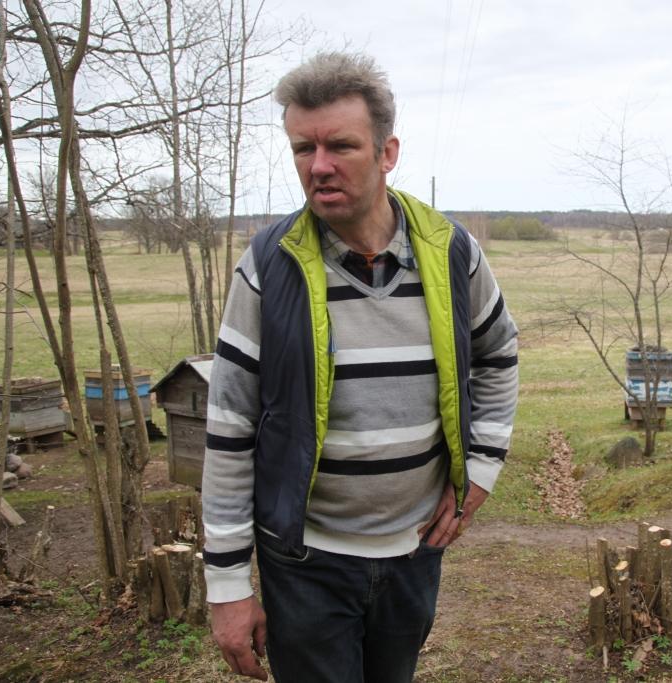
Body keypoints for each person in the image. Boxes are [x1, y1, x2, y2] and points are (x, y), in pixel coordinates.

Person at [200, 51, 519, 682]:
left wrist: (479, 473)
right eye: (302, 148)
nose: (318, 167)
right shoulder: (269, 266)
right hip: (305, 561)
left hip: (416, 552)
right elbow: (229, 427)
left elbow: (497, 356)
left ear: (387, 152)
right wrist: (229, 585)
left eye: (340, 145)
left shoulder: (452, 253)